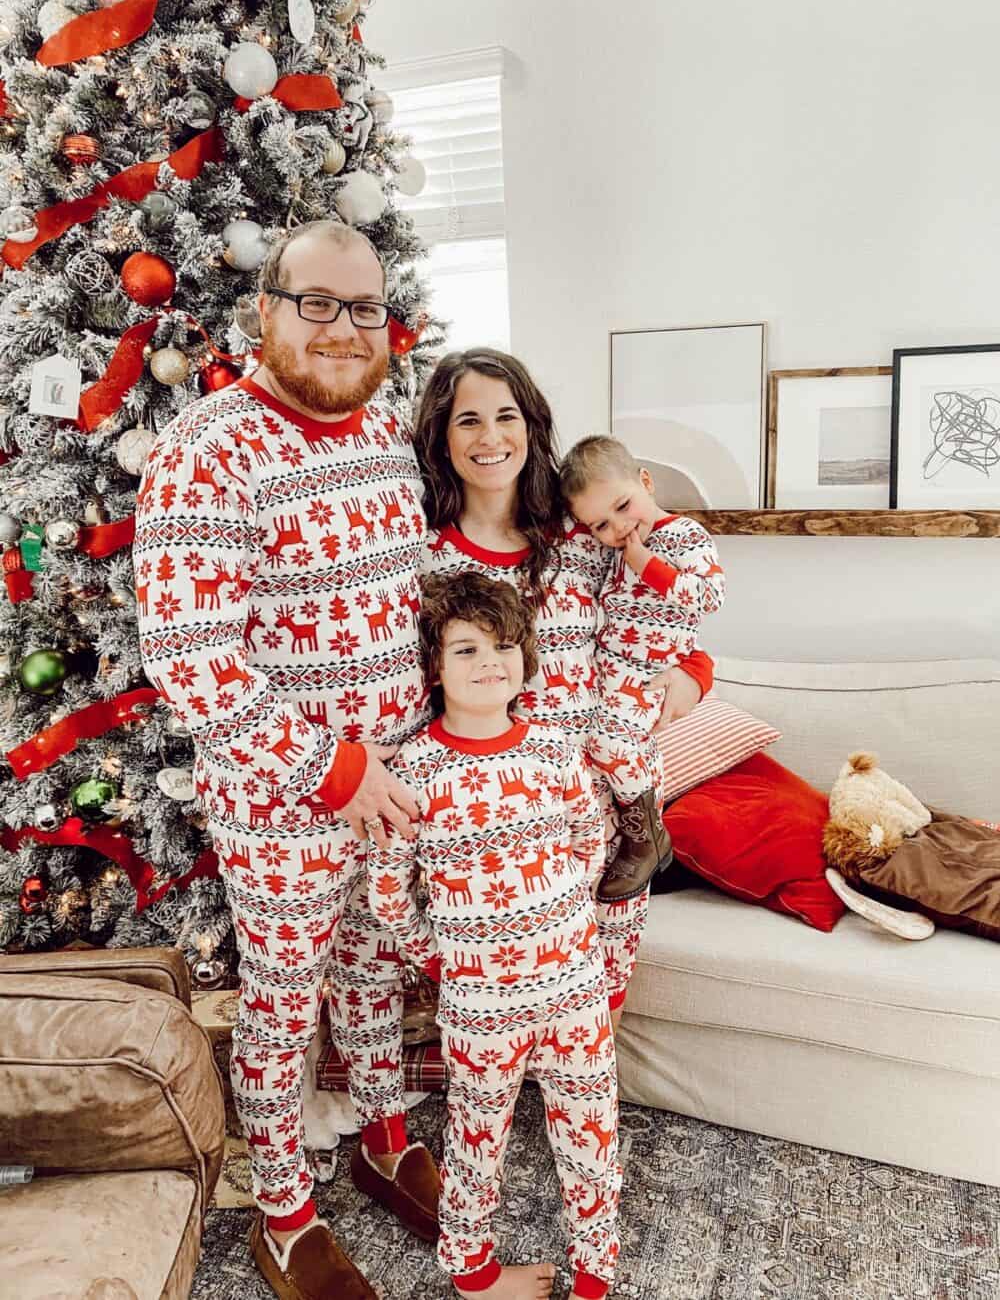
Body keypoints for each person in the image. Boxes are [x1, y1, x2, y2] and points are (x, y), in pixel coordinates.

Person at [134, 221, 439, 1300]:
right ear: (266, 309)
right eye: (320, 302)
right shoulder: (206, 447)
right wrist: (332, 771)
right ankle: (283, 1210)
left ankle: (386, 1139)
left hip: (396, 787)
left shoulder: (392, 435)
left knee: (375, 969)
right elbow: (189, 654)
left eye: (366, 307)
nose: (346, 328)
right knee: (284, 1001)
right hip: (284, 804)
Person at [414, 348, 714, 1029]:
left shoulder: (582, 532)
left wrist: (694, 675)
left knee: (603, 974)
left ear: (532, 424)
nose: (491, 437)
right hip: (502, 812)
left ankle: (587, 1119)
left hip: (612, 794)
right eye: (467, 420)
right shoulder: (426, 555)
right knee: (516, 993)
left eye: (506, 415)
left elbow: (667, 619)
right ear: (441, 434)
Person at [369, 571, 620, 1300]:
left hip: (574, 988)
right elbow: (390, 891)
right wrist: (445, 958)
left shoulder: (551, 750)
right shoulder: (416, 768)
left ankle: (597, 1273)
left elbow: (587, 838)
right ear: (434, 666)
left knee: (592, 1134)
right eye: (468, 647)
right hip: (481, 1003)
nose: (490, 662)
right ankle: (474, 1271)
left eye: (505, 645)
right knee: (478, 1139)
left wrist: (561, 916)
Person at [559, 435, 726, 901]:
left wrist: (644, 561)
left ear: (645, 482)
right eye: (600, 525)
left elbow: (708, 597)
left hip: (652, 674)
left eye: (623, 506)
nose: (617, 528)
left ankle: (647, 834)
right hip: (610, 675)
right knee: (592, 751)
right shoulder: (610, 553)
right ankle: (619, 836)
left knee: (611, 739)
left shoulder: (684, 536)